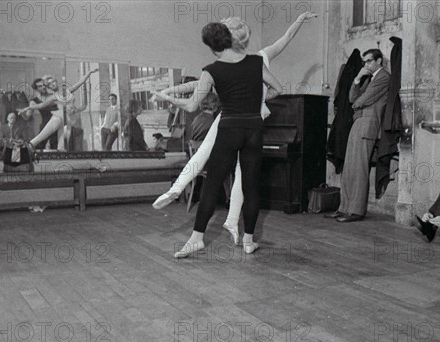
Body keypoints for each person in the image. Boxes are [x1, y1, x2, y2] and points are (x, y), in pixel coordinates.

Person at [152, 12, 317, 244]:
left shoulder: (228, 63)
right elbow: (286, 39)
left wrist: (171, 94)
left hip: (232, 119)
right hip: (251, 121)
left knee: (211, 161)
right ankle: (240, 230)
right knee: (244, 177)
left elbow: (197, 90)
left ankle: (200, 206)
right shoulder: (258, 59)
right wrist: (299, 19)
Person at [325, 49, 390, 222]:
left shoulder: (383, 77)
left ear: (379, 61)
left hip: (368, 125)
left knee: (360, 169)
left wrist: (357, 105)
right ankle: (344, 208)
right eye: (364, 62)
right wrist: (357, 78)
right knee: (349, 169)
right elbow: (352, 97)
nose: (366, 65)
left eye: (369, 61)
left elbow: (361, 101)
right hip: (358, 123)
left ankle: (356, 211)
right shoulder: (369, 78)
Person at [18, 69, 99, 152]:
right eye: (49, 84)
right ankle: (22, 152)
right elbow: (41, 105)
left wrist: (89, 72)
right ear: (49, 87)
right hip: (58, 117)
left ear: (56, 81)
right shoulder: (53, 97)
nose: (52, 84)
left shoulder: (67, 90)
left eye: (53, 82)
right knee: (39, 138)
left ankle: (28, 152)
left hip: (68, 120)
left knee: (62, 148)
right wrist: (27, 108)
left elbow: (80, 82)